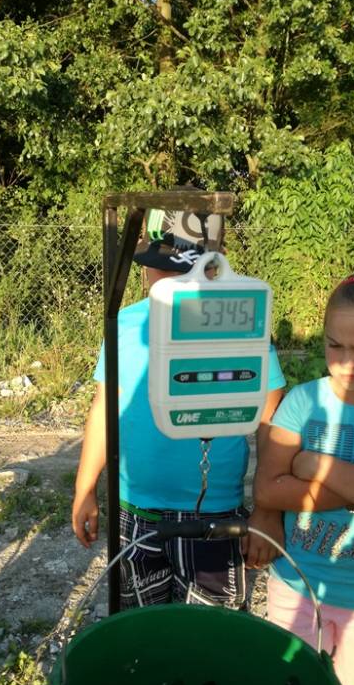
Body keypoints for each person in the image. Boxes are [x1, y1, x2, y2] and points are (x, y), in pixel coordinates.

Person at [72, 210, 286, 610]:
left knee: (208, 633)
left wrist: (268, 511)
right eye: (161, 268)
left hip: (215, 516)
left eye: (185, 270)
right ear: (145, 267)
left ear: (215, 265)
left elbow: (273, 422)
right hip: (135, 511)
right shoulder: (125, 325)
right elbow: (104, 408)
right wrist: (85, 488)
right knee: (141, 624)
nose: (171, 281)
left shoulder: (243, 327)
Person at [254, 275, 354, 685]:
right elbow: (268, 489)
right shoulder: (300, 402)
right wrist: (348, 488)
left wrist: (314, 465)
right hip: (296, 585)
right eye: (335, 346)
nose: (346, 364)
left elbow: (288, 481)